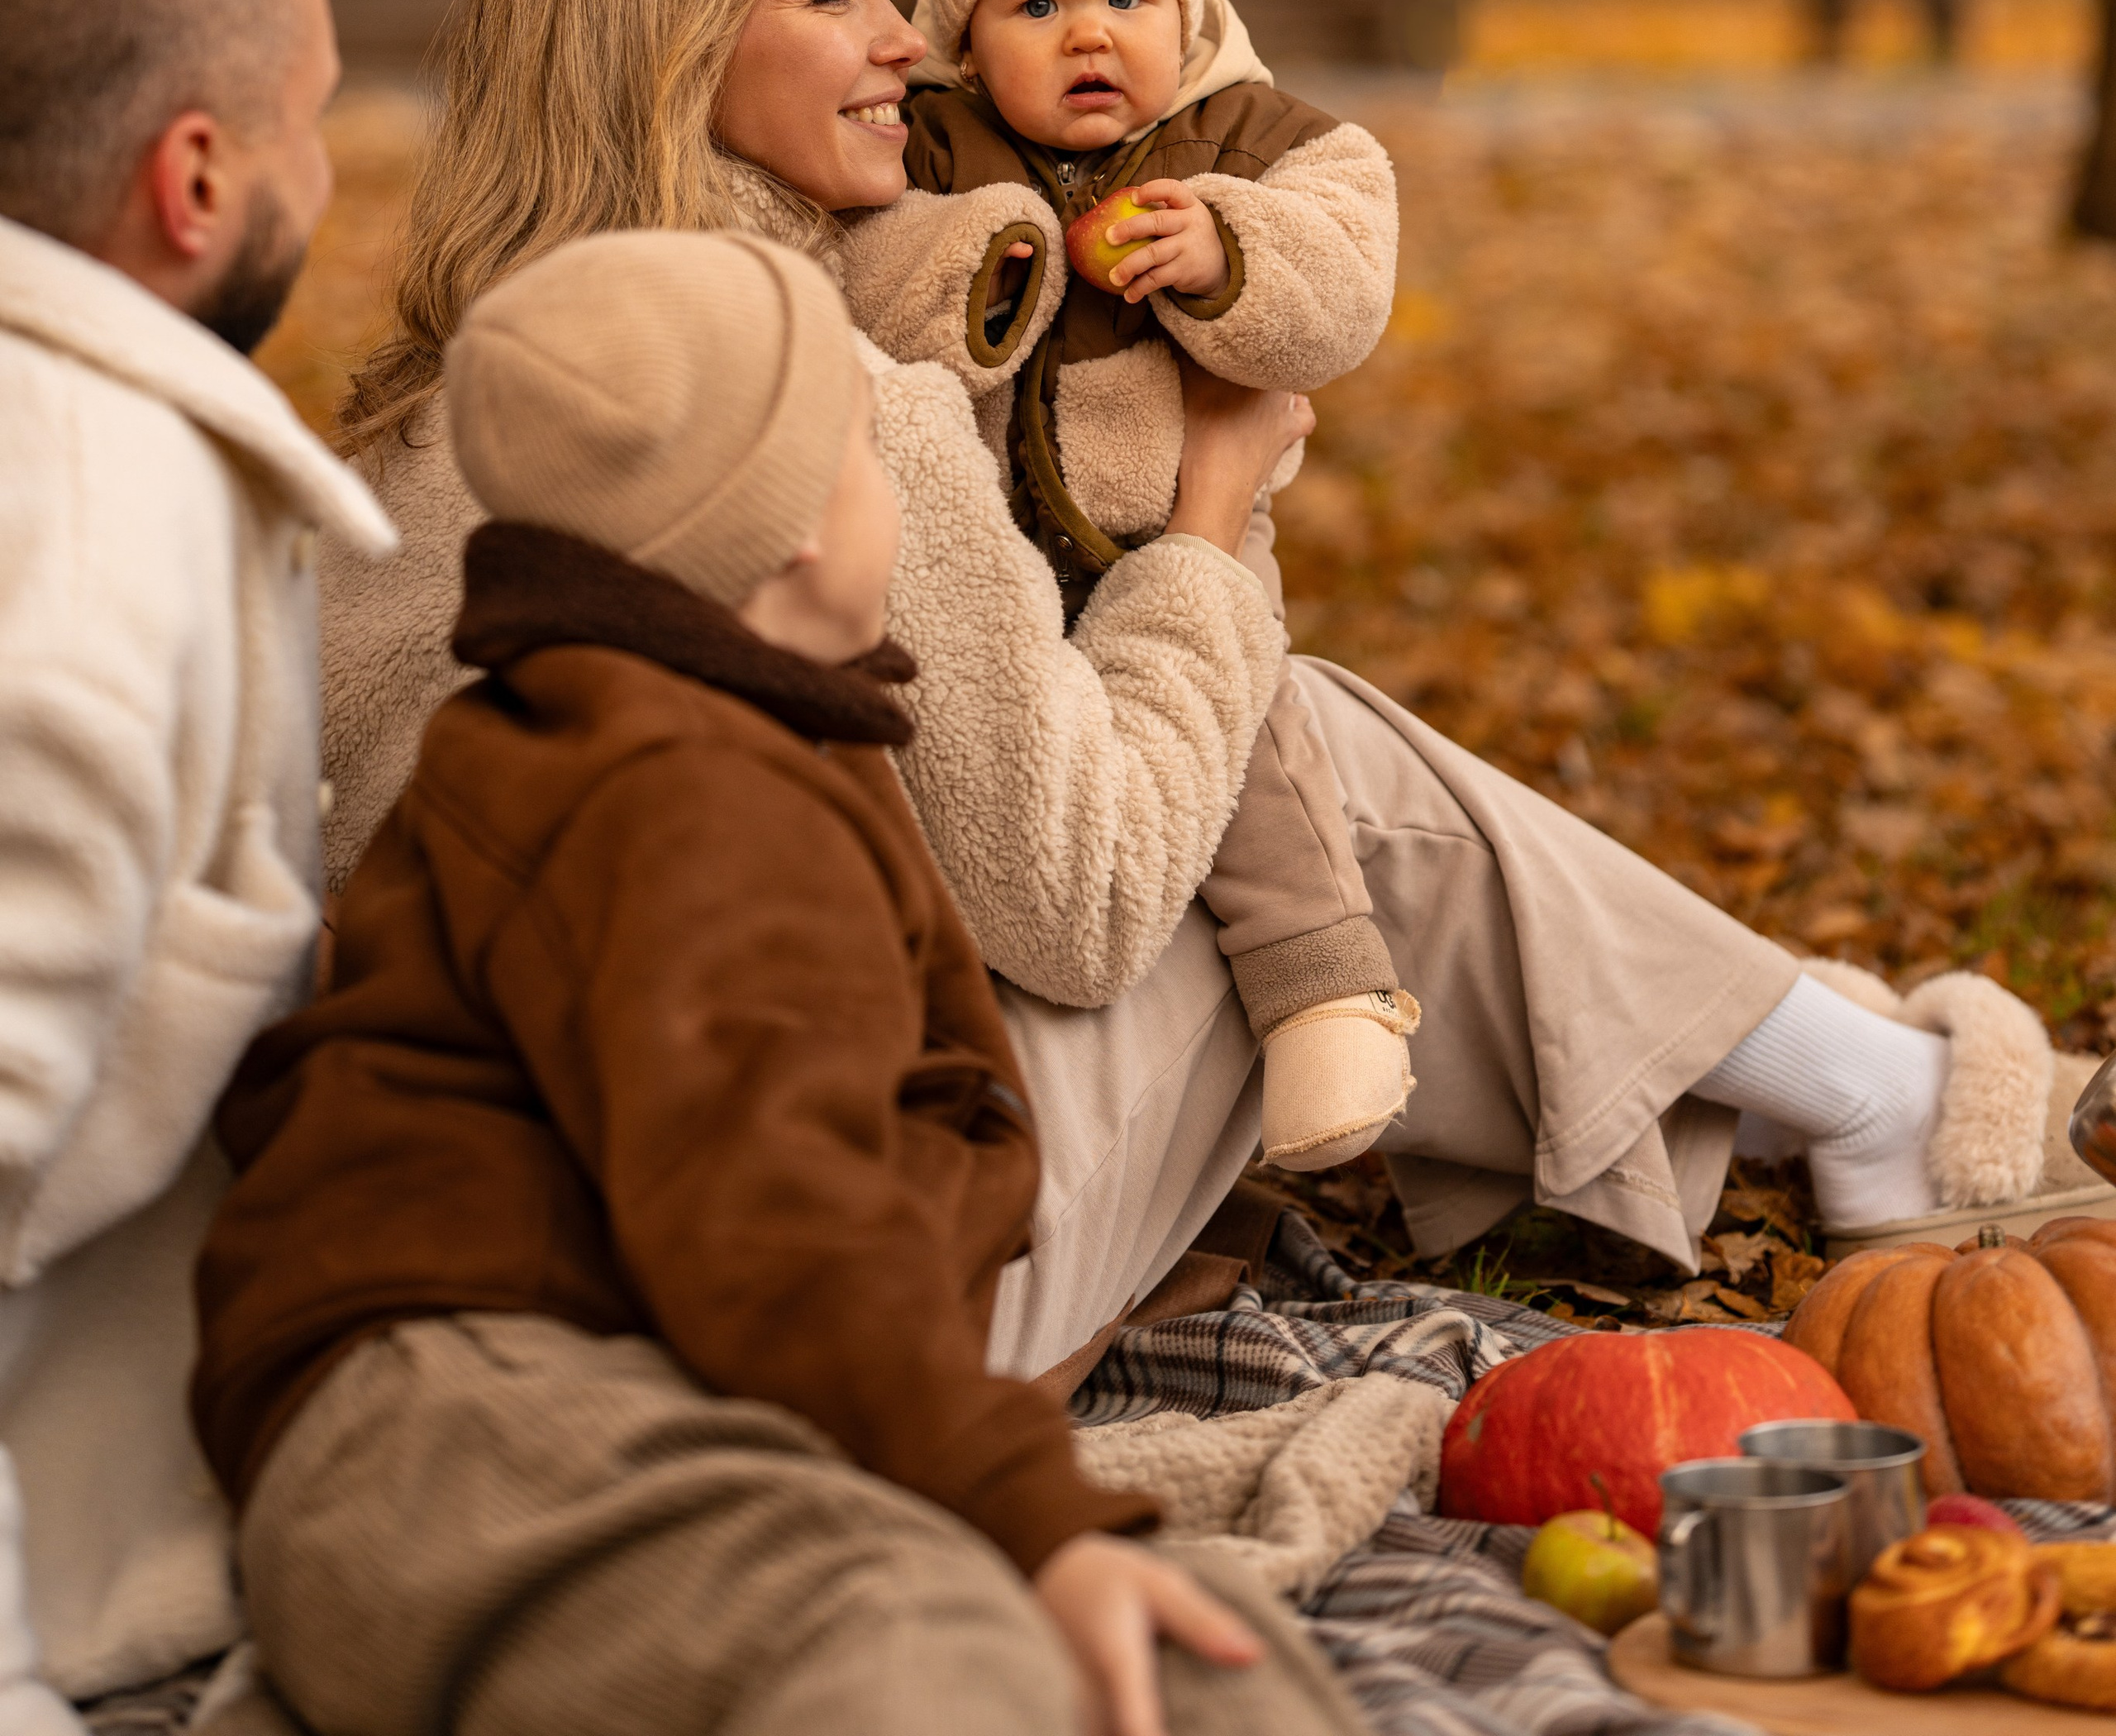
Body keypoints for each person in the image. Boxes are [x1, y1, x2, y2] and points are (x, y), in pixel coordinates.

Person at [317, 0, 2089, 1385]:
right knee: (1262, 755)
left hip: (497, 1263)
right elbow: (1081, 899)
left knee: (1254, 757)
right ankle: (1871, 1101)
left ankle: (1838, 1098)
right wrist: (1206, 525)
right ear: (674, 51)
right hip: (824, 1303)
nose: (913, 34)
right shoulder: (817, 398)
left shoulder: (448, 401)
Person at [197, 229, 1364, 1736]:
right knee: (917, 1638)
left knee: (1188, 1662)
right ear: (806, 526)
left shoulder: (709, 729)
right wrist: (1027, 1508)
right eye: (876, 454)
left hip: (638, 1392)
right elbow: (780, 1211)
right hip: (450, 1424)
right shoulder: (674, 792)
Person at [838, 0, 1413, 1177]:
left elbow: (1347, 272)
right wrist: (993, 251)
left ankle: (1325, 990)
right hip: (993, 579)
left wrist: (1231, 254)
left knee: (1257, 758)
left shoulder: (1249, 136)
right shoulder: (930, 144)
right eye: (1035, 9)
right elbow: (874, 275)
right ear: (964, 36)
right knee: (1049, 796)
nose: (1089, 34)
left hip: (1180, 547)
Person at [0, 0, 394, 1736]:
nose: (323, 176)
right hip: (70, 1595)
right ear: (197, 180)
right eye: (308, 120)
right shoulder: (92, 521)